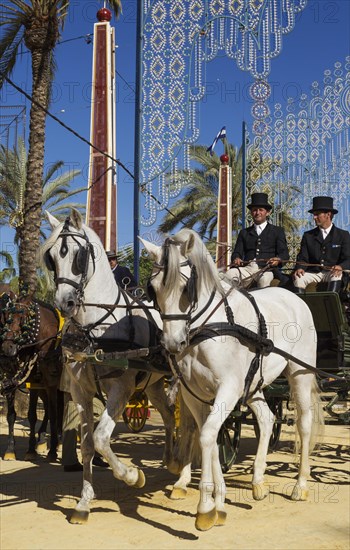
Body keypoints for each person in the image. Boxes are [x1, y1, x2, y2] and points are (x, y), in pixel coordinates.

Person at [226, 192, 289, 288]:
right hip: (247, 269)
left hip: (267, 270)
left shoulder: (277, 231)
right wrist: (236, 258)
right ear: (251, 212)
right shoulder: (244, 233)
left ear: (267, 212)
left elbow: (284, 254)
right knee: (229, 274)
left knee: (264, 280)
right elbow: (237, 252)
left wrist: (278, 259)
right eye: (255, 210)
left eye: (261, 210)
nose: (257, 212)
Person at [293, 196, 350, 293]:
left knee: (336, 275)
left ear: (328, 214)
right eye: (314, 215)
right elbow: (303, 258)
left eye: (317, 214)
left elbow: (348, 258)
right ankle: (301, 307)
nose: (314, 217)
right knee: (298, 278)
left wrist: (340, 267)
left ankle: (331, 306)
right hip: (313, 272)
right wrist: (300, 268)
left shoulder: (343, 235)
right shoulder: (308, 236)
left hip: (332, 273)